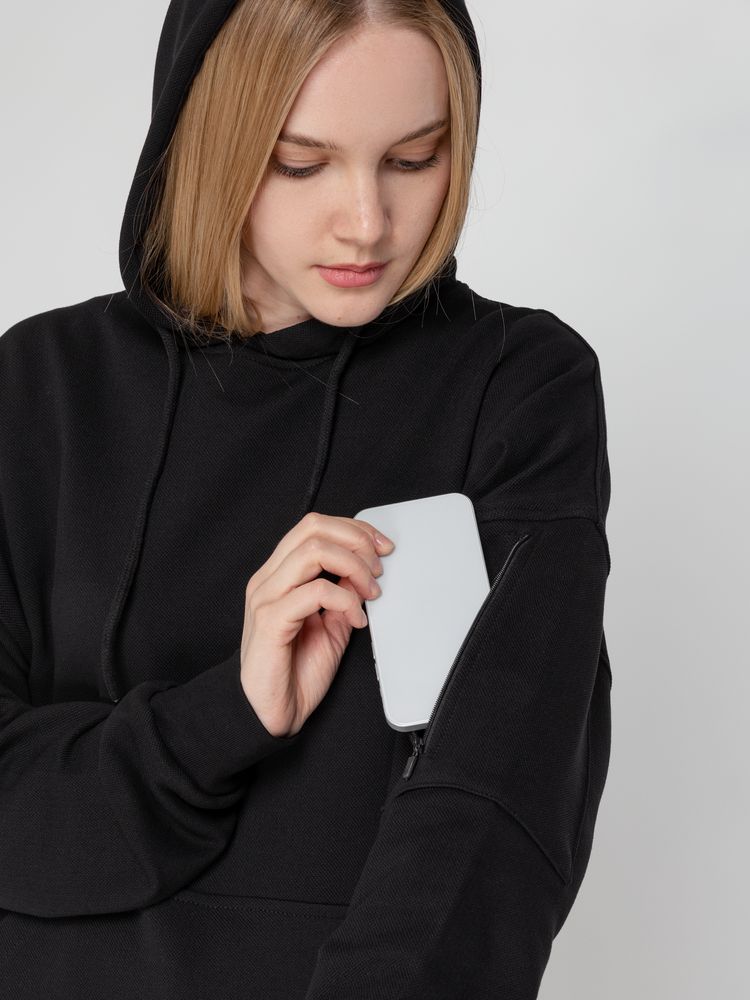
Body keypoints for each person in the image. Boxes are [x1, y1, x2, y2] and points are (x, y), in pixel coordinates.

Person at [0, 1, 613, 998]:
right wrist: (226, 714)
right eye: (300, 163)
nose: (367, 220)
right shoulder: (41, 387)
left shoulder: (517, 387)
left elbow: (495, 803)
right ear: (207, 139)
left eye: (414, 158)